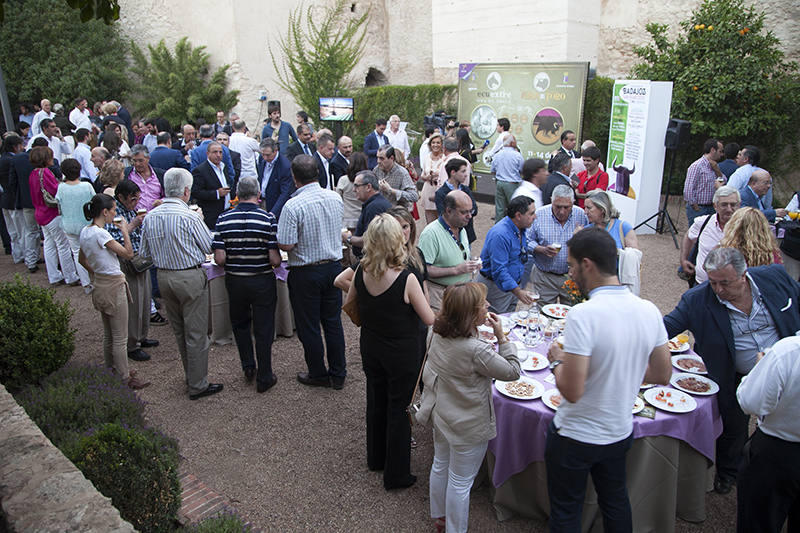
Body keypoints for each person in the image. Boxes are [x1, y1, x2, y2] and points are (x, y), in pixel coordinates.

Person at [545, 226, 671, 531]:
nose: (571, 273)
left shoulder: (584, 314)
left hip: (576, 435)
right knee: (615, 503)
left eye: (572, 266)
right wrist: (619, 374)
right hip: (618, 431)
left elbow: (572, 391)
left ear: (587, 264)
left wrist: (557, 361)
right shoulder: (649, 310)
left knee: (566, 513)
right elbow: (662, 374)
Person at [664, 247, 800, 494]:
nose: (718, 290)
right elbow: (664, 329)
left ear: (743, 275)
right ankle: (728, 471)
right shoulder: (696, 299)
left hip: (789, 371)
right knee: (733, 424)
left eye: (725, 283)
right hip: (735, 375)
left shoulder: (776, 277)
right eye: (713, 282)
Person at [416, 282, 519, 533]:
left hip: (441, 413)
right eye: (483, 304)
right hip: (467, 423)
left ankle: (440, 519)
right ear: (470, 313)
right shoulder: (477, 351)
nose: (488, 306)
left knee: (440, 463)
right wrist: (502, 337)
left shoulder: (436, 332)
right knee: (460, 482)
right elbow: (512, 372)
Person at [343, 214, 435, 489]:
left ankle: (376, 459)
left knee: (376, 400)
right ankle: (396, 475)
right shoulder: (405, 278)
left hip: (371, 345)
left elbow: (349, 306)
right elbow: (429, 318)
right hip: (401, 352)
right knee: (399, 409)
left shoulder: (361, 270)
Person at [140, 168, 223, 400]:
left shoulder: (151, 216)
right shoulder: (190, 216)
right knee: (196, 333)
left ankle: (192, 376)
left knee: (180, 331)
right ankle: (198, 384)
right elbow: (209, 246)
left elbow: (144, 253)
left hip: (164, 277)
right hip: (188, 276)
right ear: (187, 191)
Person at [277, 154, 346, 389]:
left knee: (309, 326)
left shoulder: (293, 205)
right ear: (317, 173)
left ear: (294, 178)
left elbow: (286, 244)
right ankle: (338, 373)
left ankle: (318, 372)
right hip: (333, 269)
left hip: (306, 271)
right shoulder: (334, 198)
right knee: (333, 323)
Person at [212, 176, 282, 393]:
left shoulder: (222, 219)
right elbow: (274, 260)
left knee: (240, 325)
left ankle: (248, 366)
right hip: (261, 279)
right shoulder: (268, 219)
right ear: (258, 194)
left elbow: (220, 259)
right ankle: (264, 376)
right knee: (263, 328)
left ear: (237, 195)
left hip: (236, 280)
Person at [78, 194, 150, 390]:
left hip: (100, 283)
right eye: (113, 211)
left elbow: (81, 259)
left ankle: (112, 369)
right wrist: (125, 230)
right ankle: (124, 376)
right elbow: (127, 253)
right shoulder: (101, 234)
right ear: (105, 212)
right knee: (120, 336)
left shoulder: (85, 231)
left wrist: (97, 272)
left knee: (108, 333)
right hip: (113, 284)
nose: (114, 215)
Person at [736, 335, 800, 533]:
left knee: (758, 523)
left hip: (778, 453)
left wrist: (759, 370)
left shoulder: (788, 351)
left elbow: (750, 402)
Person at [105, 179, 159, 363]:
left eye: (137, 198)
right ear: (121, 197)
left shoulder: (132, 209)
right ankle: (132, 344)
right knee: (134, 303)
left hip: (141, 258)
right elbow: (114, 239)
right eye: (132, 199)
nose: (136, 202)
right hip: (128, 261)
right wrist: (134, 223)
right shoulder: (115, 213)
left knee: (144, 300)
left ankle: (142, 336)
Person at [527, 185, 589, 305]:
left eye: (566, 207)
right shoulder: (539, 215)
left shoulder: (582, 215)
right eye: (557, 206)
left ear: (573, 202)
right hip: (544, 277)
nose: (561, 211)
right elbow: (526, 240)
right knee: (542, 316)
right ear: (551, 200)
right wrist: (541, 249)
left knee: (571, 314)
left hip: (572, 278)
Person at [28, 146, 80, 286]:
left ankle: (54, 276)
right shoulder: (45, 172)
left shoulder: (33, 173)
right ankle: (70, 276)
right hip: (51, 213)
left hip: (40, 212)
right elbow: (56, 190)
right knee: (62, 245)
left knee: (49, 244)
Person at [477, 196, 537, 313]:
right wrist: (518, 291)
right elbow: (499, 270)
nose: (535, 217)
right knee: (493, 324)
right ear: (518, 215)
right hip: (495, 287)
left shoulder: (521, 229)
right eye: (531, 213)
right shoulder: (500, 234)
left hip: (511, 286)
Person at [680, 186, 740, 286]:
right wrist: (684, 259)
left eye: (733, 205)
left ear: (739, 206)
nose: (729, 209)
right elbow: (689, 236)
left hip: (731, 289)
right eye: (724, 205)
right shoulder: (703, 223)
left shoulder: (745, 228)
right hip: (701, 285)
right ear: (715, 206)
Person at [55, 159, 95, 292]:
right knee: (93, 252)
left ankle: (86, 284)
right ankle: (97, 278)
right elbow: (94, 201)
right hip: (87, 223)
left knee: (77, 253)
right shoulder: (86, 186)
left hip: (69, 224)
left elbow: (58, 202)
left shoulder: (61, 187)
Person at [344, 171, 390, 258]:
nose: (353, 190)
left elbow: (371, 240)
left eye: (357, 186)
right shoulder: (377, 203)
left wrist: (349, 238)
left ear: (368, 187)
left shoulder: (374, 207)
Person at [191, 141, 234, 230]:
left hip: (226, 212)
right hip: (211, 216)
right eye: (215, 152)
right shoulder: (200, 170)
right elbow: (195, 192)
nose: (218, 155)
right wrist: (217, 193)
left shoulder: (224, 167)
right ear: (208, 153)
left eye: (220, 152)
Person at [434, 158, 478, 243]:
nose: (466, 175)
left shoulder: (465, 189)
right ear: (453, 173)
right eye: (463, 171)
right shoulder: (441, 193)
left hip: (467, 235)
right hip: (450, 237)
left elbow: (475, 209)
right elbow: (444, 216)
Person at [684, 138, 725, 227]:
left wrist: (717, 171)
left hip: (711, 207)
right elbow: (688, 189)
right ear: (713, 150)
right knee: (696, 235)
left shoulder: (715, 166)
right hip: (700, 207)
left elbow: (724, 182)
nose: (722, 154)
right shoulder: (697, 166)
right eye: (720, 151)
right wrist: (695, 206)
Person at [1, 136, 25, 264]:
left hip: (5, 199)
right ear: (15, 147)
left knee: (13, 231)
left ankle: (18, 255)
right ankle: (23, 255)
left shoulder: (3, 159)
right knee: (21, 230)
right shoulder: (12, 160)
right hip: (13, 200)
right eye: (21, 145)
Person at [256, 138, 294, 221]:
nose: (265, 158)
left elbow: (285, 192)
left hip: (274, 204)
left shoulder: (285, 166)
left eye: (268, 155)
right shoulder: (261, 158)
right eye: (263, 154)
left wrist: (273, 213)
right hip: (260, 200)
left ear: (275, 150)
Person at [490, 134, 524, 223]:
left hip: (499, 183)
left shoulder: (497, 155)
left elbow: (492, 170)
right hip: (511, 183)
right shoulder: (517, 155)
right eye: (515, 141)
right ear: (512, 143)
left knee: (499, 209)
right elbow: (523, 169)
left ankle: (498, 228)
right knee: (515, 208)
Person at [337, 152, 368, 234]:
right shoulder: (368, 181)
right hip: (363, 217)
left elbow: (338, 199)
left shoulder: (343, 180)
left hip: (347, 219)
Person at [420, 133, 445, 223]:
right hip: (428, 190)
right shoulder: (426, 158)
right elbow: (422, 174)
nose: (435, 145)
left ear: (442, 144)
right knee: (430, 222)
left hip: (440, 190)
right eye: (433, 142)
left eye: (438, 142)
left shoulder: (445, 158)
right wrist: (426, 177)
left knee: (442, 220)